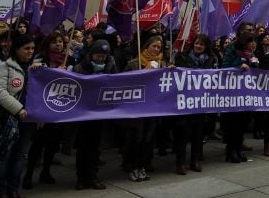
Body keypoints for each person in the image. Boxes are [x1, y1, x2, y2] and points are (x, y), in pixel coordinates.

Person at [23, 32, 72, 189]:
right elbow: (30, 78)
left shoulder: (69, 60)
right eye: (54, 42)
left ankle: (46, 172)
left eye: (60, 42)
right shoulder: (39, 59)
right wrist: (34, 68)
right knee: (37, 144)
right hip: (41, 109)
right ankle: (28, 174)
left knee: (52, 144)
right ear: (47, 44)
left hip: (59, 109)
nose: (58, 44)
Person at [0, 35, 37, 198]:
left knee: (20, 156)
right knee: (5, 155)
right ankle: (0, 190)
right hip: (9, 120)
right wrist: (18, 109)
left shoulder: (35, 69)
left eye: (33, 49)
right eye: (26, 48)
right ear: (16, 50)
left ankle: (13, 189)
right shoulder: (5, 68)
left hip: (28, 121)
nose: (30, 52)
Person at [73, 39, 117, 190]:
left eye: (104, 56)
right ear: (91, 55)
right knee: (83, 147)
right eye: (98, 55)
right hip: (83, 114)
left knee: (95, 147)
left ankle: (92, 177)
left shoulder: (110, 67)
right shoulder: (79, 68)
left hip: (100, 113)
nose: (101, 59)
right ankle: (81, 178)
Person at [122, 35, 166, 181]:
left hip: (153, 108)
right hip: (137, 108)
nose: (156, 49)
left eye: (159, 47)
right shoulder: (134, 64)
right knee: (136, 138)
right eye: (154, 46)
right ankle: (131, 166)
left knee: (148, 139)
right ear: (146, 46)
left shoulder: (162, 64)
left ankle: (142, 166)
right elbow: (123, 83)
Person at [173, 34, 217, 173]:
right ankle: (180, 163)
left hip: (201, 101)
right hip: (185, 100)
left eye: (202, 44)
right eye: (197, 43)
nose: (198, 46)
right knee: (182, 132)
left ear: (206, 47)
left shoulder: (211, 60)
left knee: (198, 132)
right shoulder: (182, 57)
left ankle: (195, 160)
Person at [221, 32, 258, 162]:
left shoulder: (251, 54)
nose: (254, 44)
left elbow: (256, 70)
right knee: (234, 124)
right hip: (233, 93)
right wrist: (238, 66)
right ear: (244, 41)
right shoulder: (232, 50)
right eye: (251, 41)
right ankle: (231, 151)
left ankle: (238, 149)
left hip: (246, 94)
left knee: (243, 123)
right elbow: (224, 67)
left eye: (254, 41)